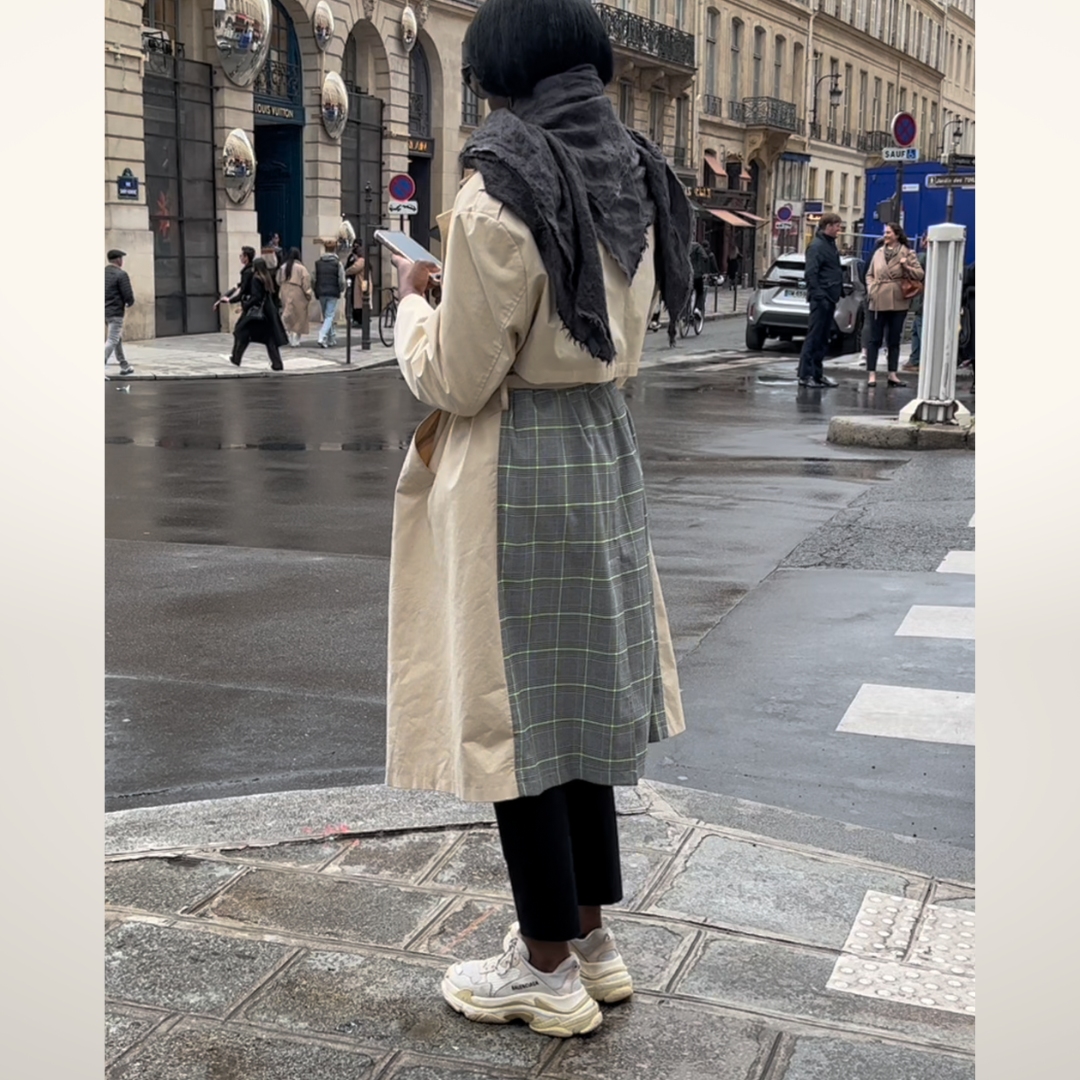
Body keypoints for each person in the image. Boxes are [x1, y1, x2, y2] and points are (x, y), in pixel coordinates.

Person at [385, 0, 690, 1038]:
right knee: (578, 716)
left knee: (515, 721)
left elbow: (459, 378)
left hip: (518, 465)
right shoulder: (636, 174)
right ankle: (593, 939)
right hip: (601, 447)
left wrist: (413, 304)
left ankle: (547, 969)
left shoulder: (495, 193)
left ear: (499, 72)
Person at [864, 222, 924, 388]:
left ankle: (892, 374)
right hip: (877, 298)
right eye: (885, 232)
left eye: (889, 232)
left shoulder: (907, 253)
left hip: (898, 299)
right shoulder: (878, 252)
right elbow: (869, 274)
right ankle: (872, 374)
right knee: (874, 339)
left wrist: (906, 266)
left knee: (894, 339)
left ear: (897, 235)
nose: (886, 235)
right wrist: (871, 289)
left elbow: (920, 274)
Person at [797, 212, 844, 388]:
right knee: (814, 336)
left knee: (823, 338)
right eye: (837, 226)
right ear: (829, 226)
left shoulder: (829, 244)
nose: (839, 229)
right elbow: (811, 273)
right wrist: (819, 294)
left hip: (829, 296)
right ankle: (805, 374)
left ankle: (817, 374)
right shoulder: (817, 246)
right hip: (821, 298)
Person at [228, 257, 287, 370]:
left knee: (241, 332)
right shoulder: (267, 278)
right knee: (269, 339)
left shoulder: (256, 278)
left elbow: (256, 297)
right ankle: (277, 363)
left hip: (257, 314)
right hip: (268, 312)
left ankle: (236, 358)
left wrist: (245, 305)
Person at [104, 249, 136, 379]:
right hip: (116, 311)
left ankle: (124, 365)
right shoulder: (121, 275)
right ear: (118, 260)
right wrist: (130, 302)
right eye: (121, 258)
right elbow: (127, 293)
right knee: (112, 339)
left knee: (116, 338)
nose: (122, 261)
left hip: (104, 311)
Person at [277, 247, 313, 347]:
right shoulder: (301, 268)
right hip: (298, 291)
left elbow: (278, 280)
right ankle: (296, 339)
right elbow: (306, 282)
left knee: (288, 314)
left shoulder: (283, 267)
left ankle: (289, 334)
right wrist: (308, 294)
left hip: (285, 290)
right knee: (299, 316)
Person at [902, 234, 928, 373]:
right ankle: (916, 359)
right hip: (928, 299)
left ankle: (916, 360)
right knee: (918, 329)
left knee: (918, 330)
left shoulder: (922, 257)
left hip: (921, 300)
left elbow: (914, 274)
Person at [313, 239, 346, 347]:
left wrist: (315, 289)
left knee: (327, 315)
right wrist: (341, 289)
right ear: (334, 249)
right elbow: (341, 280)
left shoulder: (318, 263)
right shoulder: (338, 264)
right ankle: (322, 336)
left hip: (321, 292)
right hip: (333, 292)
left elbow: (313, 279)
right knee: (329, 315)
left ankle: (331, 338)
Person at [214, 246, 257, 313]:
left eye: (241, 255)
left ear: (246, 257)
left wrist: (229, 300)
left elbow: (242, 292)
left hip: (250, 307)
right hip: (250, 306)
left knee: (241, 323)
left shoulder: (247, 273)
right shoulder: (251, 270)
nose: (240, 257)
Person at [344, 239, 370, 326]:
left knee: (360, 301)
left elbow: (353, 268)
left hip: (360, 283)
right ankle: (358, 319)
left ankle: (360, 320)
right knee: (357, 301)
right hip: (356, 283)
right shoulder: (353, 257)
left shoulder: (361, 260)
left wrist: (345, 272)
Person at [689, 239, 709, 321]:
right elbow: (705, 257)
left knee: (687, 294)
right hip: (696, 275)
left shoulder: (684, 245)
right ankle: (697, 309)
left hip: (686, 275)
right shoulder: (697, 246)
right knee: (700, 293)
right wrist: (704, 271)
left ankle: (684, 312)